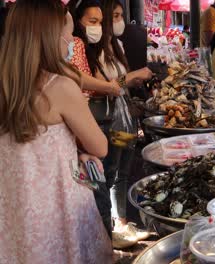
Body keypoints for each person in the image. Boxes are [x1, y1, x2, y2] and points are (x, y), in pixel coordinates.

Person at [0, 0, 112, 262]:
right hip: (55, 214)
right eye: (68, 34)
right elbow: (100, 147)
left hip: (11, 211)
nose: (72, 41)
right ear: (51, 38)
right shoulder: (60, 87)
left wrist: (68, 149)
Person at [93, 0, 152, 249]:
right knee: (111, 170)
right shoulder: (92, 49)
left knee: (123, 171)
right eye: (115, 16)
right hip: (108, 121)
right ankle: (108, 232)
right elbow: (100, 83)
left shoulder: (115, 45)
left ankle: (122, 222)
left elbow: (121, 81)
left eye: (120, 15)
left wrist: (136, 82)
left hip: (124, 118)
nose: (119, 21)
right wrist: (135, 75)